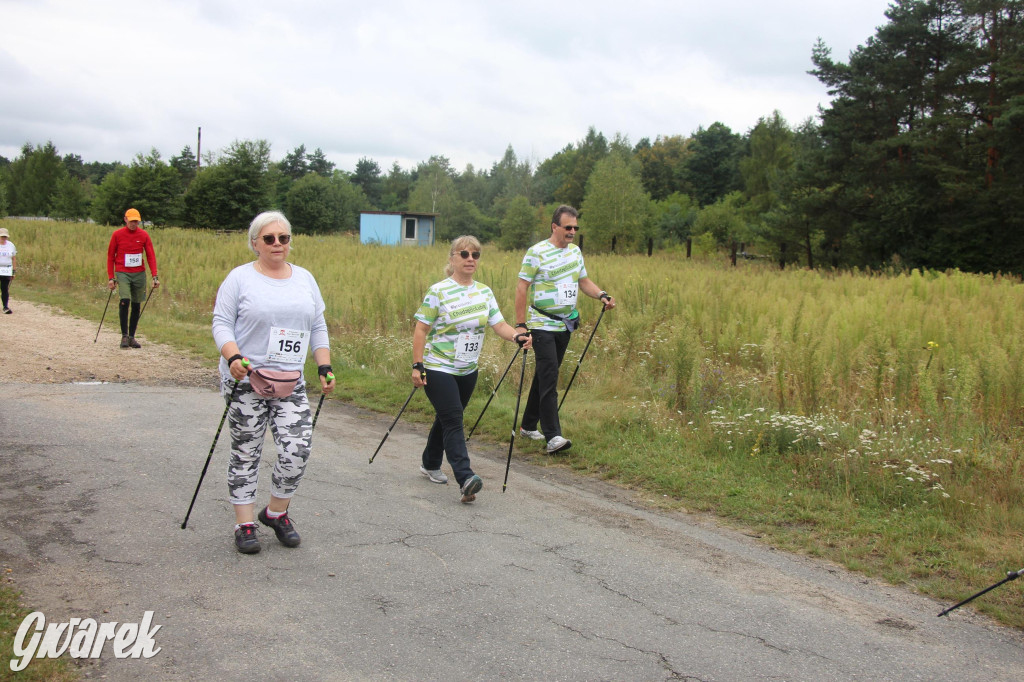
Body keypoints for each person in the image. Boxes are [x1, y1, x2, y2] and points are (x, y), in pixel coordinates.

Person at [211, 211, 335, 554]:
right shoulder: (239, 279)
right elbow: (221, 323)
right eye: (269, 238)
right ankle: (244, 523)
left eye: (284, 238)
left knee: (298, 448)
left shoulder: (305, 279)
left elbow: (318, 326)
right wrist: (234, 357)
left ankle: (276, 513)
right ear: (255, 243)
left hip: (290, 381)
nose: (277, 244)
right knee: (247, 450)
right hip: (246, 378)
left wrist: (323, 366)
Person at [413, 235, 532, 504]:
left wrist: (517, 336)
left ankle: (430, 463)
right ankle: (465, 477)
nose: (470, 259)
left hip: (467, 368)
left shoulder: (484, 291)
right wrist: (417, 365)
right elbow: (421, 328)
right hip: (438, 366)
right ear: (452, 258)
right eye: (464, 254)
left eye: (475, 255)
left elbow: (499, 324)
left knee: (447, 416)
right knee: (454, 418)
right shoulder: (439, 291)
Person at [514, 205, 616, 454]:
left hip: (565, 324)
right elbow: (521, 287)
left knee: (545, 374)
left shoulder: (575, 252)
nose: (572, 231)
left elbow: (583, 281)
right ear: (554, 226)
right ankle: (553, 436)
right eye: (567, 227)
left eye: (575, 228)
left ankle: (528, 426)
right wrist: (520, 325)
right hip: (541, 323)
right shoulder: (536, 252)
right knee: (550, 377)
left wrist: (601, 294)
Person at [106, 208, 159, 348]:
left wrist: (155, 276)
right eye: (131, 221)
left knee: (136, 304)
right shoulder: (117, 235)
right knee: (125, 300)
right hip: (122, 272)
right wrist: (111, 277)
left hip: (139, 273)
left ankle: (131, 337)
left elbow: (150, 256)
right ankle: (124, 336)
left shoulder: (144, 235)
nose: (133, 224)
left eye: (136, 221)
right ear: (125, 220)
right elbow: (111, 256)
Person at [0, 228, 17, 314]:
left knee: (4, 289)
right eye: (2, 236)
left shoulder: (11, 245)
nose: (4, 238)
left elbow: (14, 258)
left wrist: (13, 271)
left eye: (5, 236)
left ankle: (5, 307)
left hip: (6, 269)